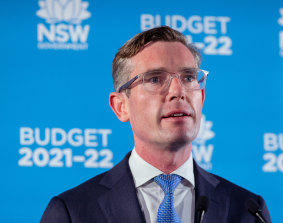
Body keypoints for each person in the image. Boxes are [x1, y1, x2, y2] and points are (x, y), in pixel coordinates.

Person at [40, 26, 271, 223]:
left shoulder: (248, 210)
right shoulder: (73, 211)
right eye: (154, 79)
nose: (178, 92)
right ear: (121, 106)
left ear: (201, 97)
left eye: (189, 78)